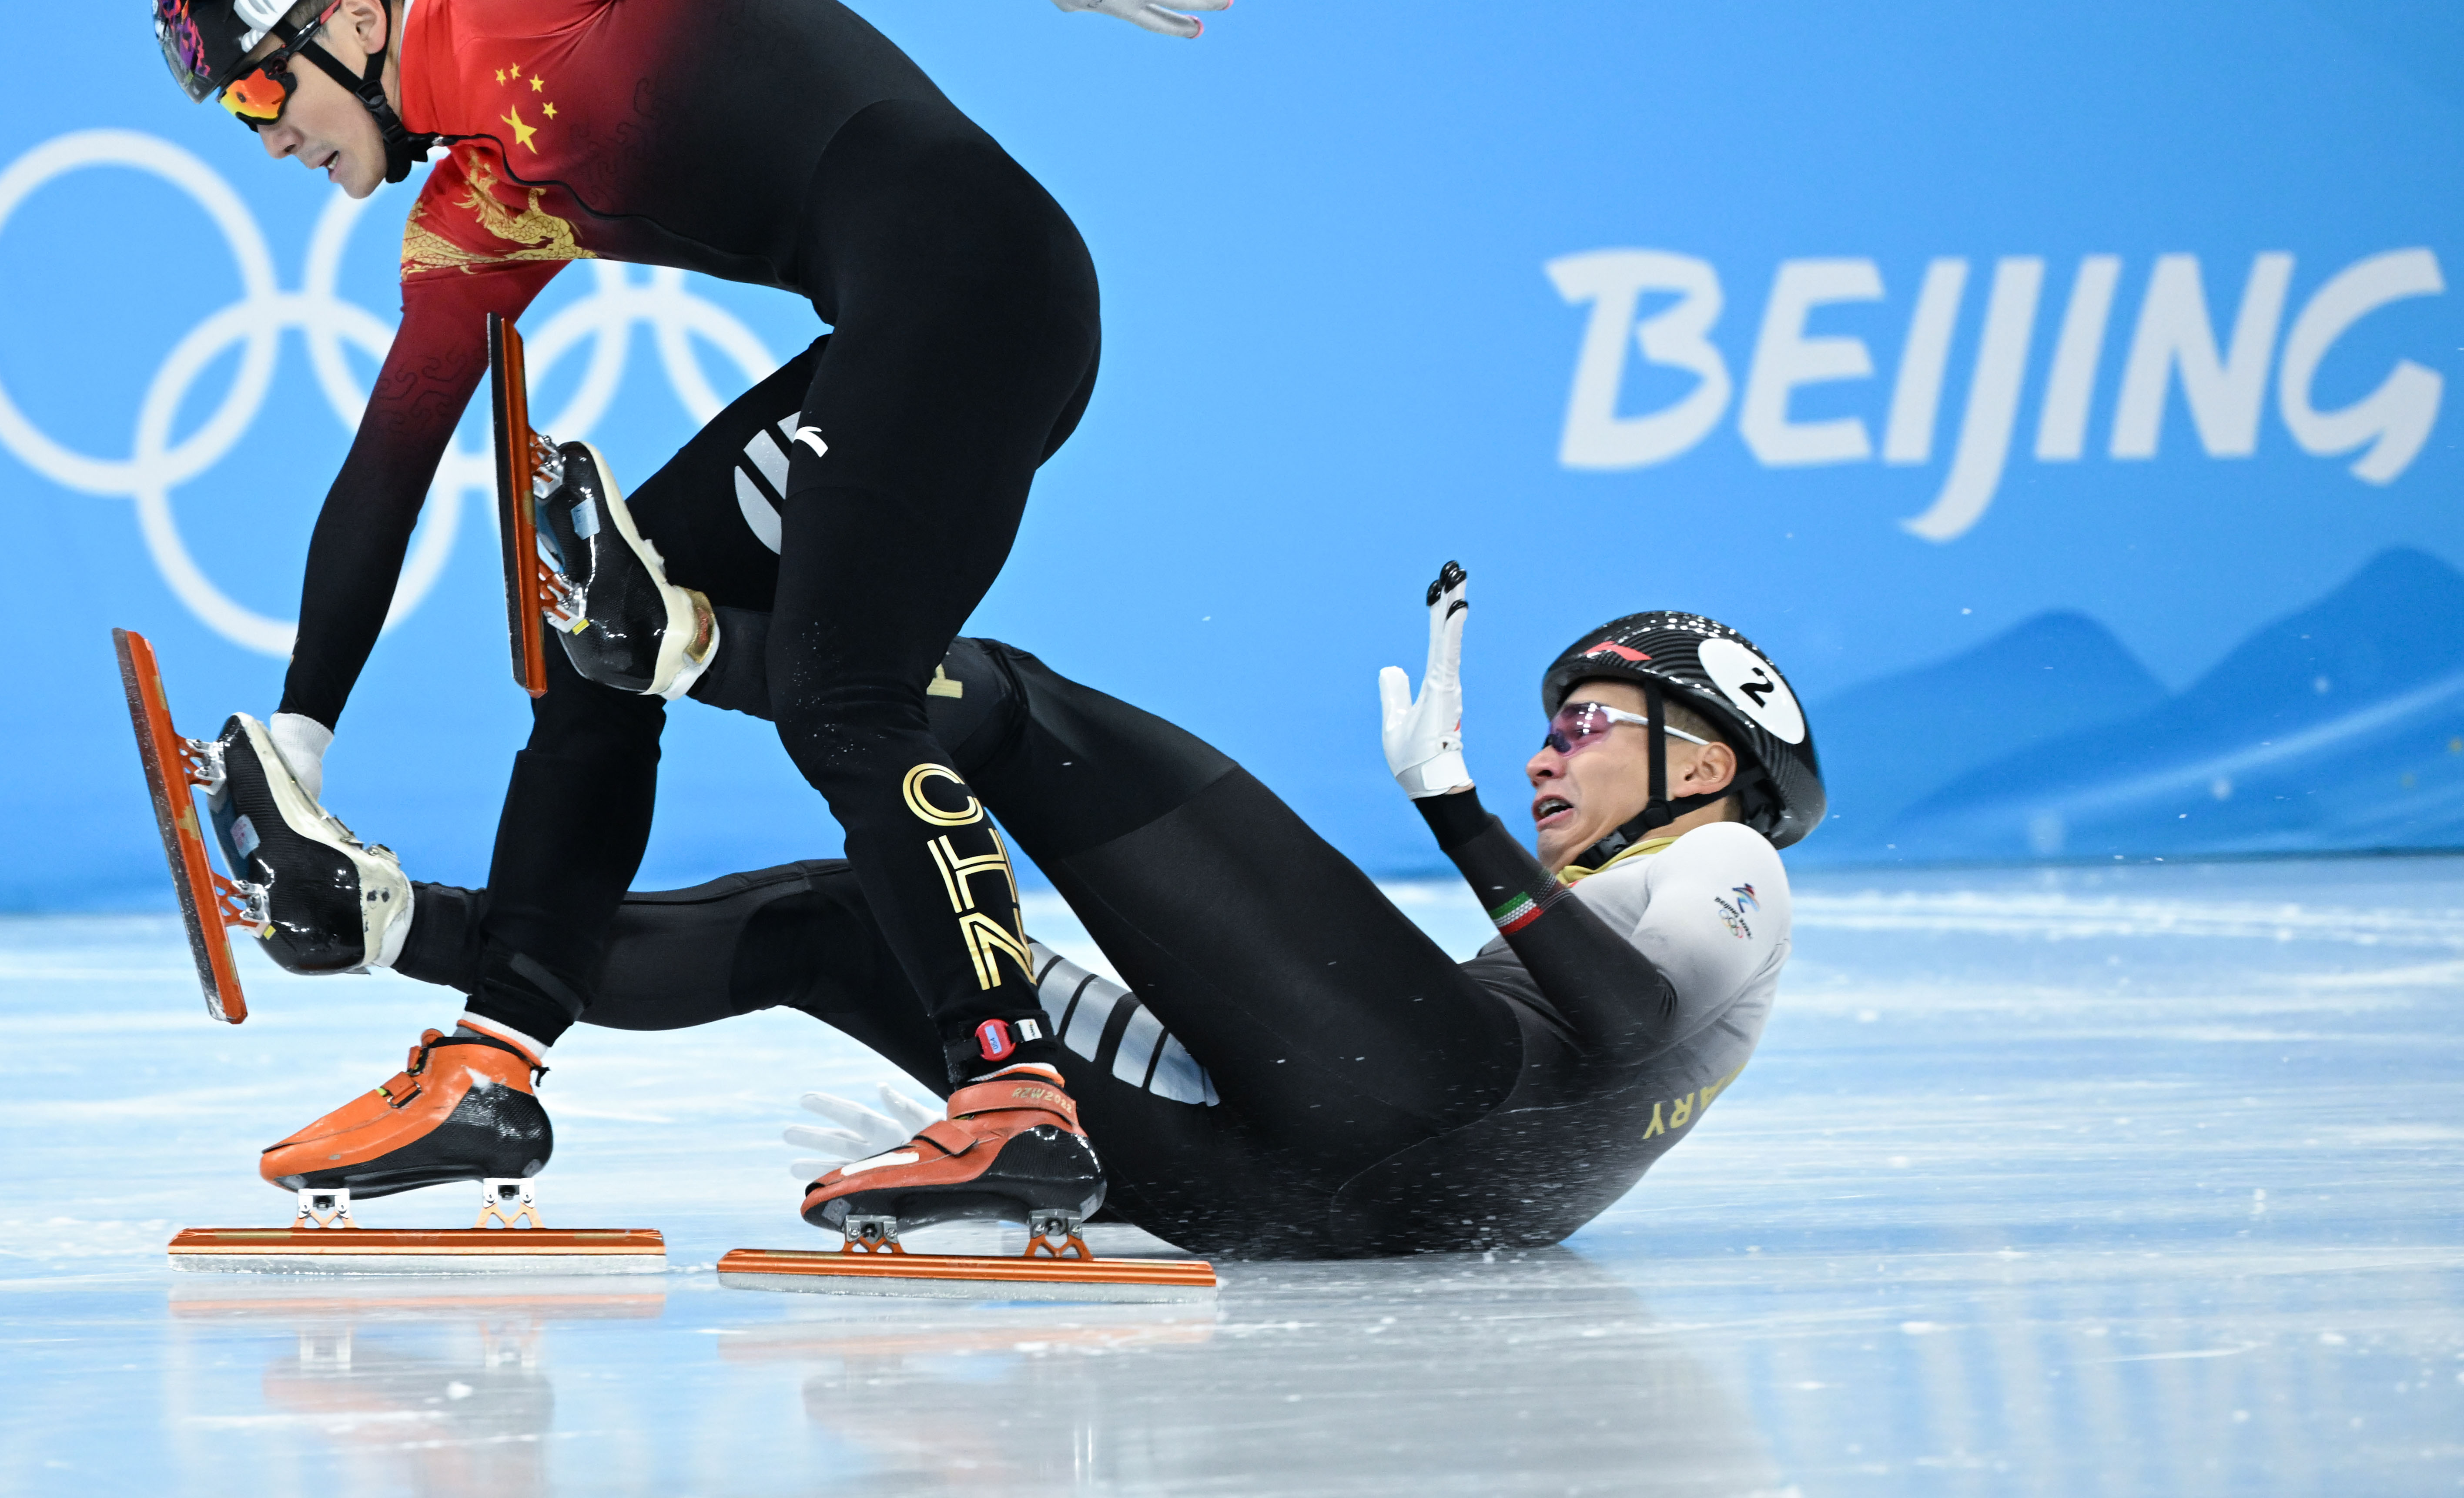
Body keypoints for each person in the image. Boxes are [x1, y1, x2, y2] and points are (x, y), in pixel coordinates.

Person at [149, 0, 1238, 1236]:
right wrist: (300, 740)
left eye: (253, 93)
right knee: (593, 642)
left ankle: (1014, 1099)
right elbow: (390, 462)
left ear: (353, 15)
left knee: (839, 697)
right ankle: (494, 1064)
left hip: (977, 282)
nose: (266, 137)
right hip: (904, 324)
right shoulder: (480, 202)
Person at [212, 360, 1819, 1256]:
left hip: (1426, 1107)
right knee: (846, 927)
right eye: (1540, 733)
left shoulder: (1731, 860)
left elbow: (1610, 1027)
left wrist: (1460, 812)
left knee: (1012, 708)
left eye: (1585, 724)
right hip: (1300, 1199)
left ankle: (683, 638)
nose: (1548, 754)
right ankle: (369, 920)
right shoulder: (1662, 867)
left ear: (1706, 763)